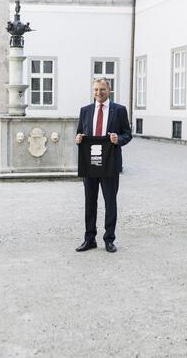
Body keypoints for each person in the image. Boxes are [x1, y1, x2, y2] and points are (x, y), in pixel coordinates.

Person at [74, 78, 132, 253]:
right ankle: (89, 238)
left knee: (110, 202)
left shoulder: (119, 110)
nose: (98, 93)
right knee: (90, 202)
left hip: (110, 163)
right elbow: (79, 132)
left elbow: (127, 134)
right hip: (89, 163)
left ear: (109, 90)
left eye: (102, 90)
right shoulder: (85, 110)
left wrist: (118, 140)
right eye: (96, 90)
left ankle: (109, 239)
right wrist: (78, 139)